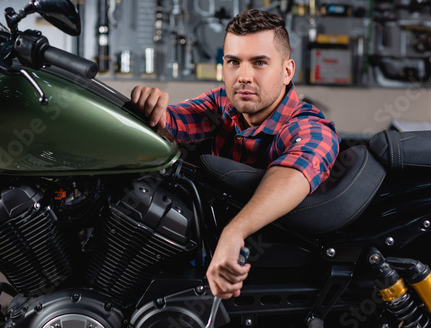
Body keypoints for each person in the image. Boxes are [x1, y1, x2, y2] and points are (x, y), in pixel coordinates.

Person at [130, 9, 340, 300]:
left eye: (259, 63)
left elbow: (295, 170)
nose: (243, 76)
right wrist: (150, 107)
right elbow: (175, 121)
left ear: (287, 71)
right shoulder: (224, 105)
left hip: (269, 272)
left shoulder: (308, 127)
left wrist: (234, 232)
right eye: (233, 62)